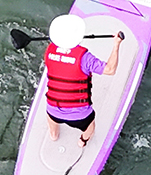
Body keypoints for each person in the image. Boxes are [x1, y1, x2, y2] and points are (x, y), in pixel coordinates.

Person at [41, 13, 122, 143]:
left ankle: (53, 135)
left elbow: (62, 59)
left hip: (53, 110)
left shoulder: (49, 50)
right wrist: (116, 44)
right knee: (90, 128)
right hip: (79, 116)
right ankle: (82, 141)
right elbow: (110, 70)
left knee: (51, 118)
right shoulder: (84, 57)